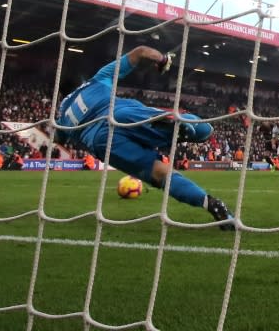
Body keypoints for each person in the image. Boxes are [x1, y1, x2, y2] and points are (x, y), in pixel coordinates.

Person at [56, 46, 234, 230]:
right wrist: (162, 59)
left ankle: (210, 203)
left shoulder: (61, 116)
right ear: (82, 81)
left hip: (102, 140)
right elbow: (140, 51)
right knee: (205, 130)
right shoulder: (97, 81)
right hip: (122, 114)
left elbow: (58, 139)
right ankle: (180, 125)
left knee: (159, 173)